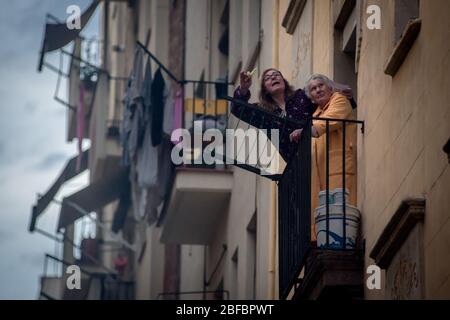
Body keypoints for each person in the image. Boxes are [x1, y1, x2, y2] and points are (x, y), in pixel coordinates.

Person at [305, 74, 357, 241]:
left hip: (339, 166)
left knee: (340, 206)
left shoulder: (339, 100)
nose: (318, 89)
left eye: (321, 85)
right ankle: (323, 239)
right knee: (326, 209)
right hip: (323, 173)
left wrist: (306, 131)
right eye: (313, 89)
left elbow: (330, 120)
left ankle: (343, 240)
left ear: (330, 88)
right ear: (311, 98)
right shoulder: (316, 113)